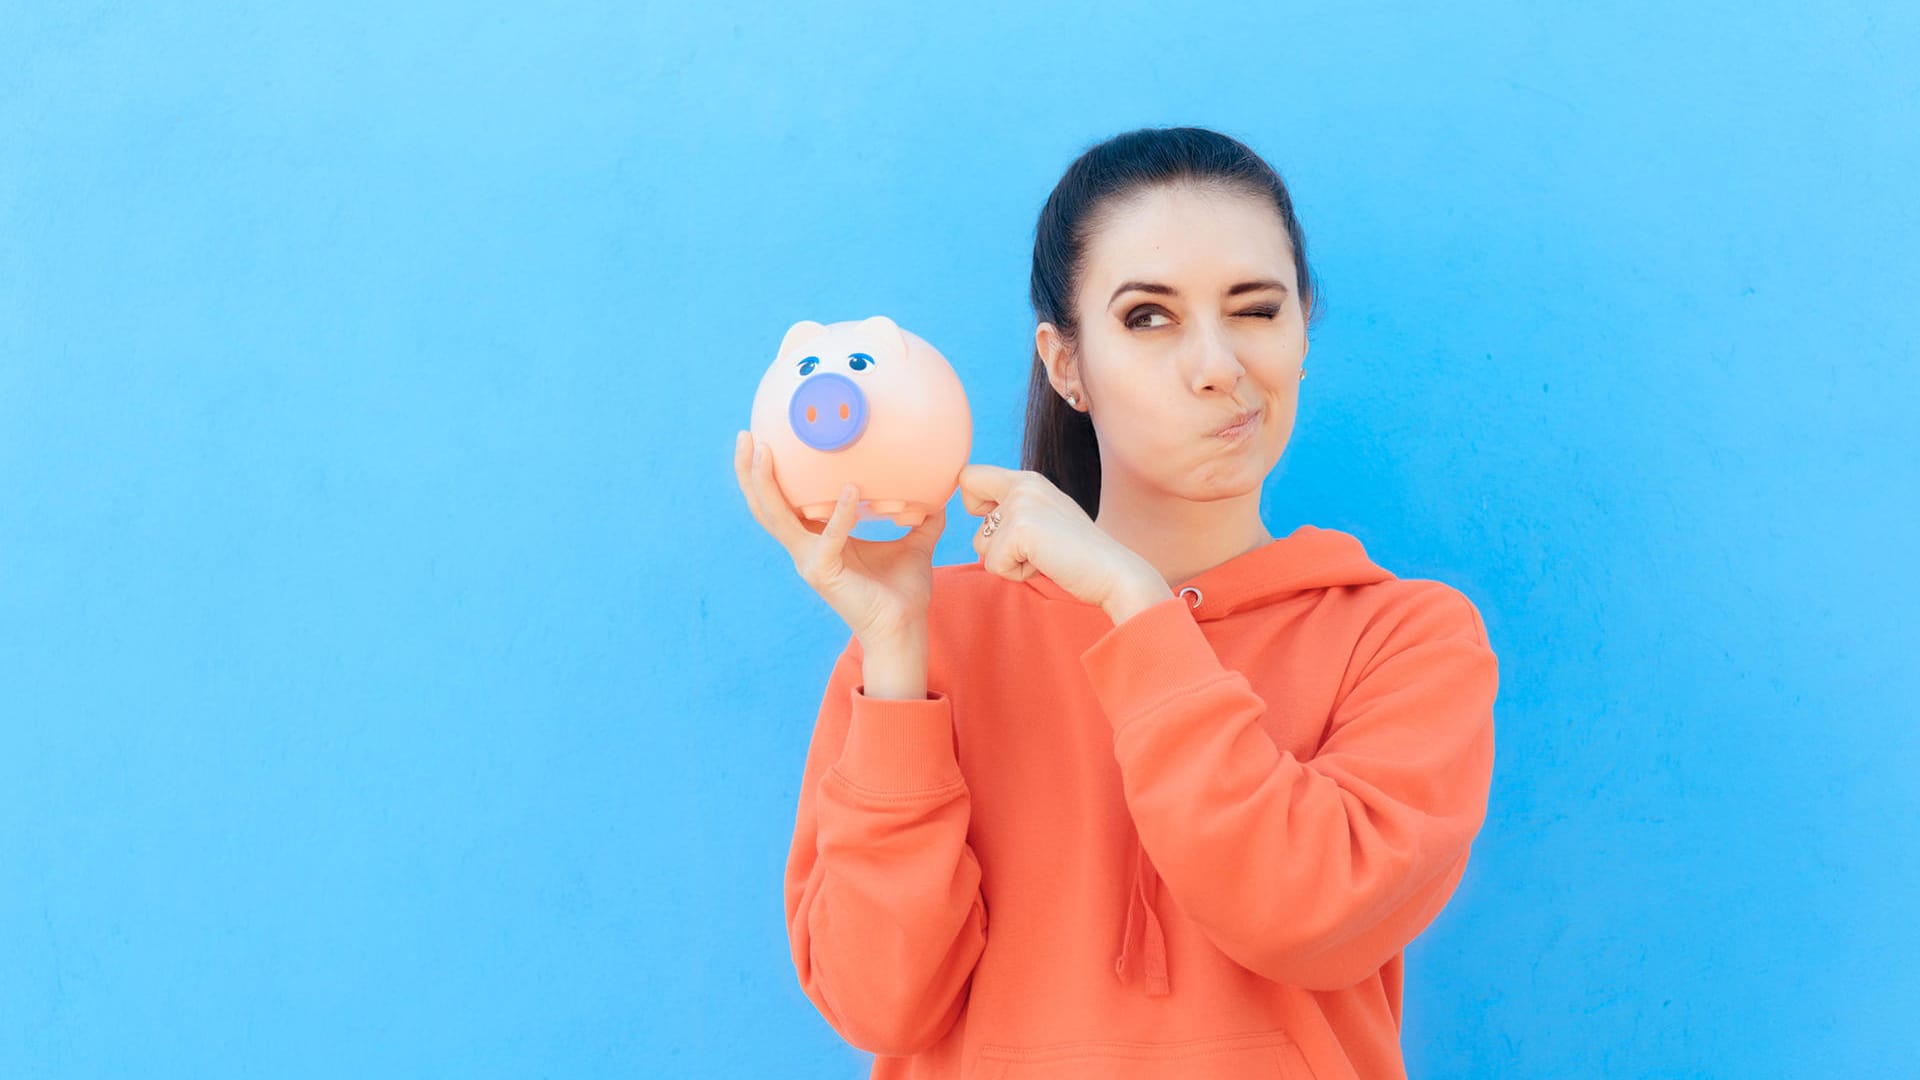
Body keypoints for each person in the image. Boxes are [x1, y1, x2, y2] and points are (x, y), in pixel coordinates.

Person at [732, 125, 1498, 1080]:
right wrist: (895, 655)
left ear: (1303, 333)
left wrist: (1136, 607)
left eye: (1256, 310)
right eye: (1149, 317)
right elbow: (879, 1000)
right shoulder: (931, 640)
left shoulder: (1404, 637)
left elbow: (1308, 916)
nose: (1219, 365)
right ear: (1064, 364)